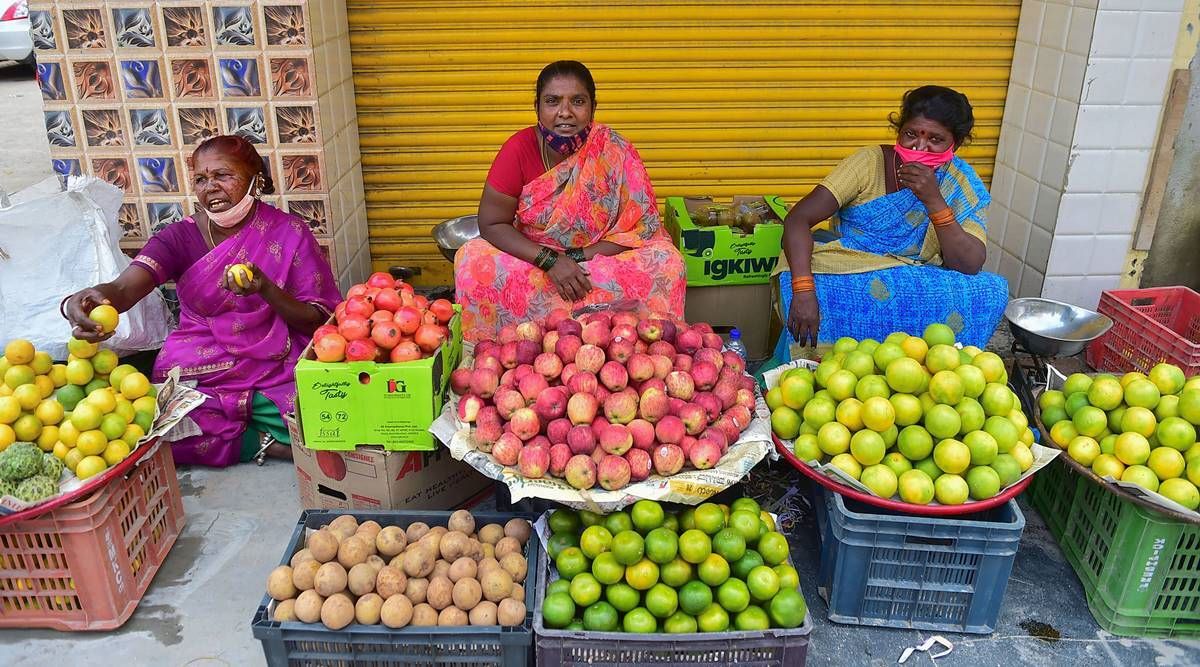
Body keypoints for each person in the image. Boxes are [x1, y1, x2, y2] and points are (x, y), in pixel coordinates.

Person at [62, 135, 341, 467]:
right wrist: (88, 300)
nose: (211, 187)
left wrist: (264, 287)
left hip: (275, 357)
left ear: (257, 180)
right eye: (200, 179)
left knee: (327, 410)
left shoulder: (289, 232)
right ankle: (261, 442)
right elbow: (125, 289)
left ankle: (253, 427)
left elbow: (316, 320)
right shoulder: (180, 237)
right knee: (151, 427)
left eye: (223, 175)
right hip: (201, 357)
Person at [455, 60, 686, 341]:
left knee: (668, 262)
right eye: (552, 101)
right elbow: (492, 223)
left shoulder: (614, 149)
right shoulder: (517, 149)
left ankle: (628, 340)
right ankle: (505, 342)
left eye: (577, 101)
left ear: (593, 107)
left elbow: (640, 228)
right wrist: (550, 261)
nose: (565, 113)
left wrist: (575, 258)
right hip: (535, 254)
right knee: (470, 260)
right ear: (537, 107)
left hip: (597, 253)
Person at [776, 85, 1007, 357]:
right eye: (911, 134)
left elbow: (969, 264)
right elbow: (798, 220)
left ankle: (929, 363)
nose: (919, 146)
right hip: (853, 266)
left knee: (990, 290)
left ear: (955, 144)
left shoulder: (960, 182)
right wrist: (803, 289)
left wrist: (934, 201)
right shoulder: (868, 163)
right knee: (803, 276)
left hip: (918, 273)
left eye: (935, 139)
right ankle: (820, 360)